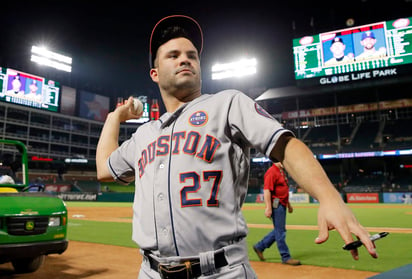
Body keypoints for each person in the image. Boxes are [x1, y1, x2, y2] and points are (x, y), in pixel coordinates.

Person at [96, 15, 378, 279]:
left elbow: (287, 146)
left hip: (221, 271)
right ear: (154, 73)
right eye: (173, 55)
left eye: (192, 56)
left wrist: (329, 197)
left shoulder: (227, 103)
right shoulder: (145, 134)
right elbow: (104, 169)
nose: (186, 59)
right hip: (151, 271)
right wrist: (115, 116)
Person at [253, 162, 300, 265]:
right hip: (276, 205)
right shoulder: (271, 172)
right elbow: (267, 191)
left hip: (282, 204)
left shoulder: (281, 171)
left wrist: (289, 205)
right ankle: (285, 257)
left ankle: (259, 247)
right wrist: (268, 208)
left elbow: (283, 190)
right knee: (280, 232)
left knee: (279, 230)